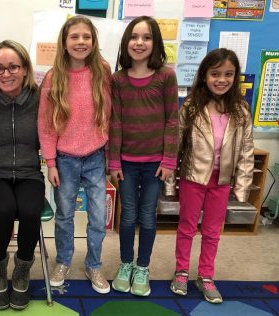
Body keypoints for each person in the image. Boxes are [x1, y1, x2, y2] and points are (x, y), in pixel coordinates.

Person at [168, 48, 254, 303]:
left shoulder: (241, 110)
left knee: (213, 231)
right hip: (193, 177)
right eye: (215, 73)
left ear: (235, 76)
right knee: (186, 227)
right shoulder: (192, 106)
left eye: (228, 74)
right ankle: (181, 271)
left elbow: (247, 150)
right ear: (204, 75)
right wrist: (171, 183)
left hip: (222, 181)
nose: (221, 79)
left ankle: (206, 275)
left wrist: (242, 187)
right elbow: (176, 146)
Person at [38, 15, 112, 294]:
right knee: (65, 215)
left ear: (93, 42)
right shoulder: (53, 77)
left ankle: (94, 264)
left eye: (86, 37)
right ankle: (64, 260)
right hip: (65, 159)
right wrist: (51, 162)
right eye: (74, 37)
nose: (81, 42)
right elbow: (45, 124)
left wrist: (109, 153)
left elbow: (111, 113)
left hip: (95, 156)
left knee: (97, 215)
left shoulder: (103, 71)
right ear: (64, 42)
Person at [108, 16, 179, 297]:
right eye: (134, 37)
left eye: (147, 37)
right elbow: (115, 122)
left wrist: (169, 160)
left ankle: (143, 267)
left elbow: (173, 121)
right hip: (125, 162)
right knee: (128, 218)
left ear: (155, 42)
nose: (140, 43)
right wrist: (113, 161)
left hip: (155, 164)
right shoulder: (118, 80)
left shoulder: (166, 76)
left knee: (148, 216)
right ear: (126, 42)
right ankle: (126, 264)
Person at [0, 40, 45, 311]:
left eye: (13, 67)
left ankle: (22, 269)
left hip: (30, 172)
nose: (6, 74)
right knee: (4, 210)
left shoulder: (42, 99)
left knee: (29, 211)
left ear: (26, 69)